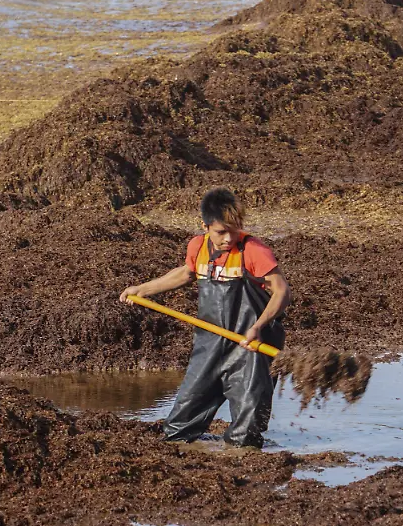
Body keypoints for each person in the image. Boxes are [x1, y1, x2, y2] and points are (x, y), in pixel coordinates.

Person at [119, 187, 291, 448]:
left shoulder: (253, 250)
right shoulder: (198, 247)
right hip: (209, 343)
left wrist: (258, 326)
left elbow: (281, 292)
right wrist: (142, 289)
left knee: (247, 434)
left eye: (234, 230)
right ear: (205, 226)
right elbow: (186, 273)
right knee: (178, 428)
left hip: (250, 348)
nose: (228, 238)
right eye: (221, 232)